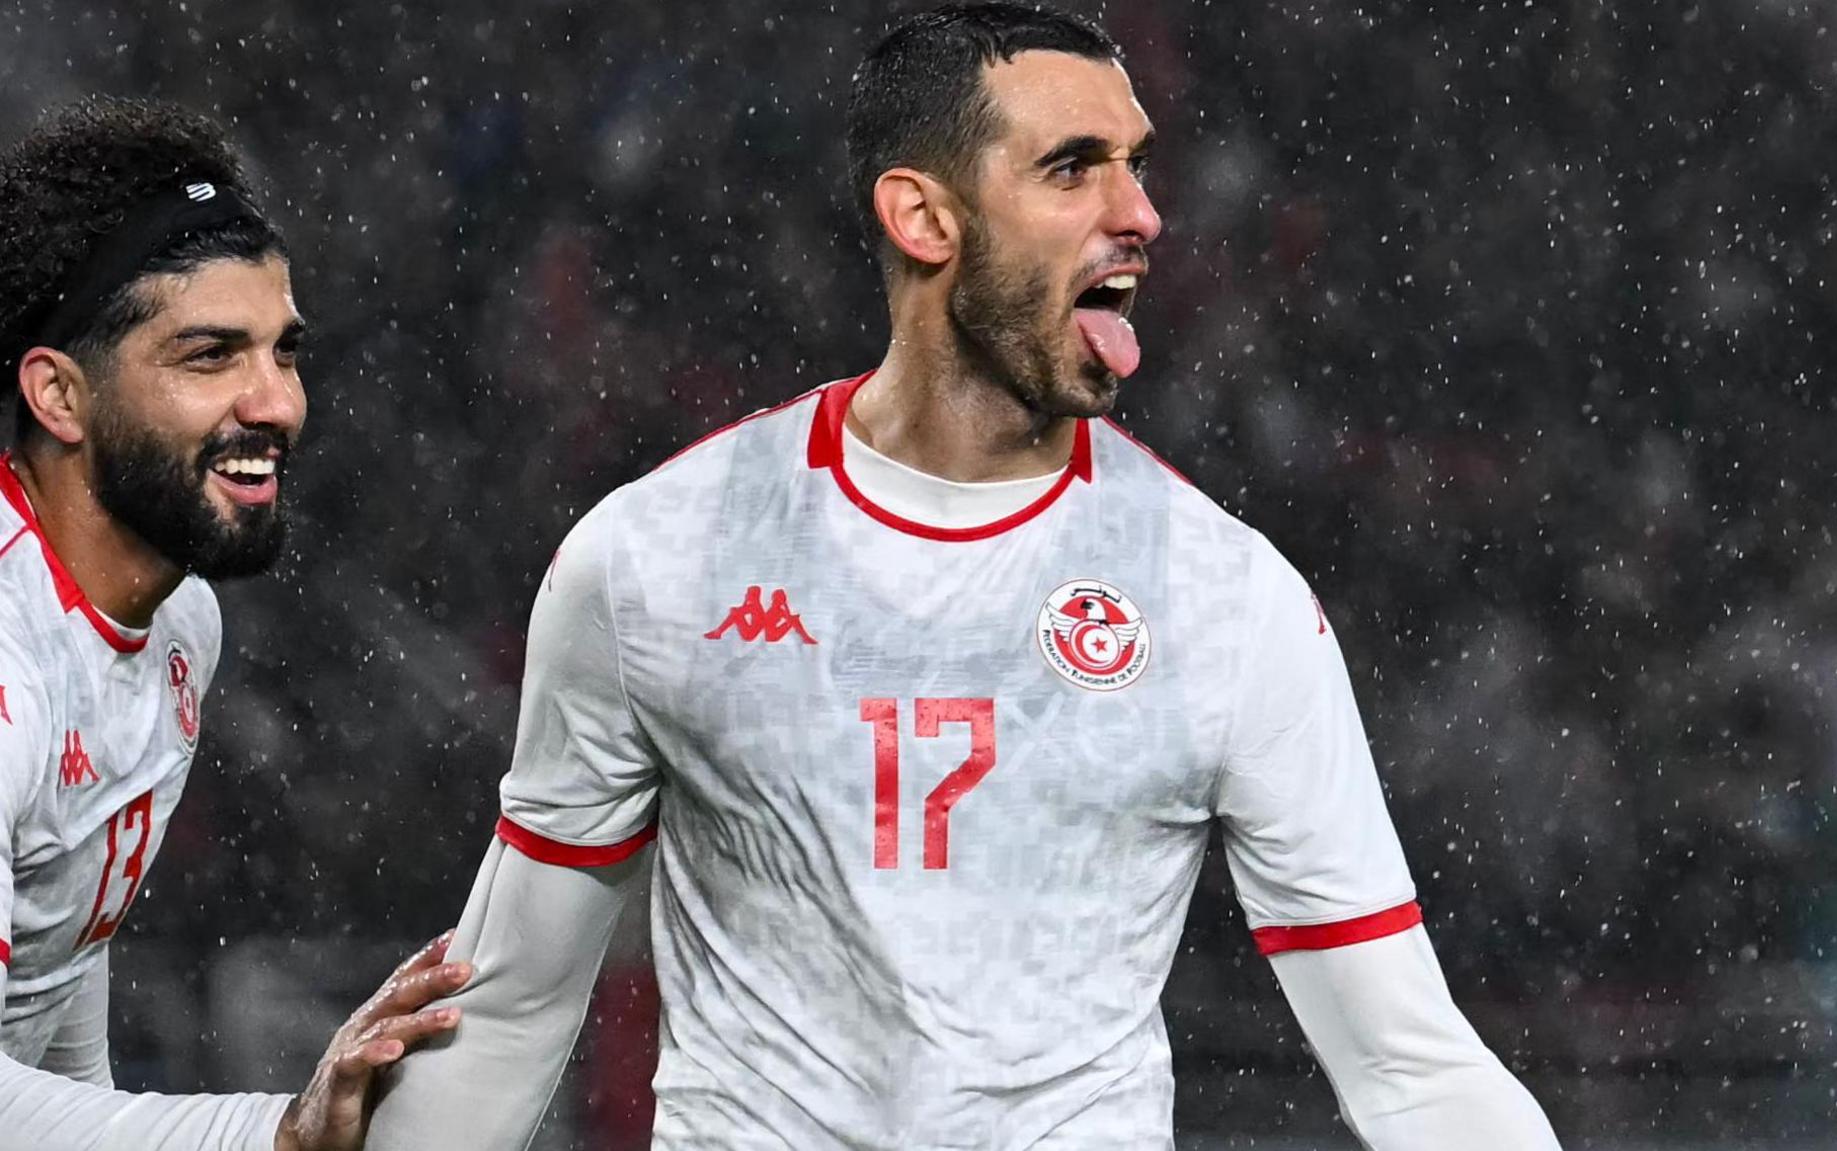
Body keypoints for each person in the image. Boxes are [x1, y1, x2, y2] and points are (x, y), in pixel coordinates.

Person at [367, 5, 1562, 1148]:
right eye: (1072, 167)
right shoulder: (654, 558)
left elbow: (1407, 1061)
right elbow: (512, 1011)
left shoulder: (1225, 596)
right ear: (923, 218)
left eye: (1137, 165)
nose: (1138, 212)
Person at [0, 96, 469, 1150]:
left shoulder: (179, 626)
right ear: (60, 397)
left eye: (283, 351)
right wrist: (279, 1133)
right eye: (211, 355)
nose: (278, 403)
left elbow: (53, 996)